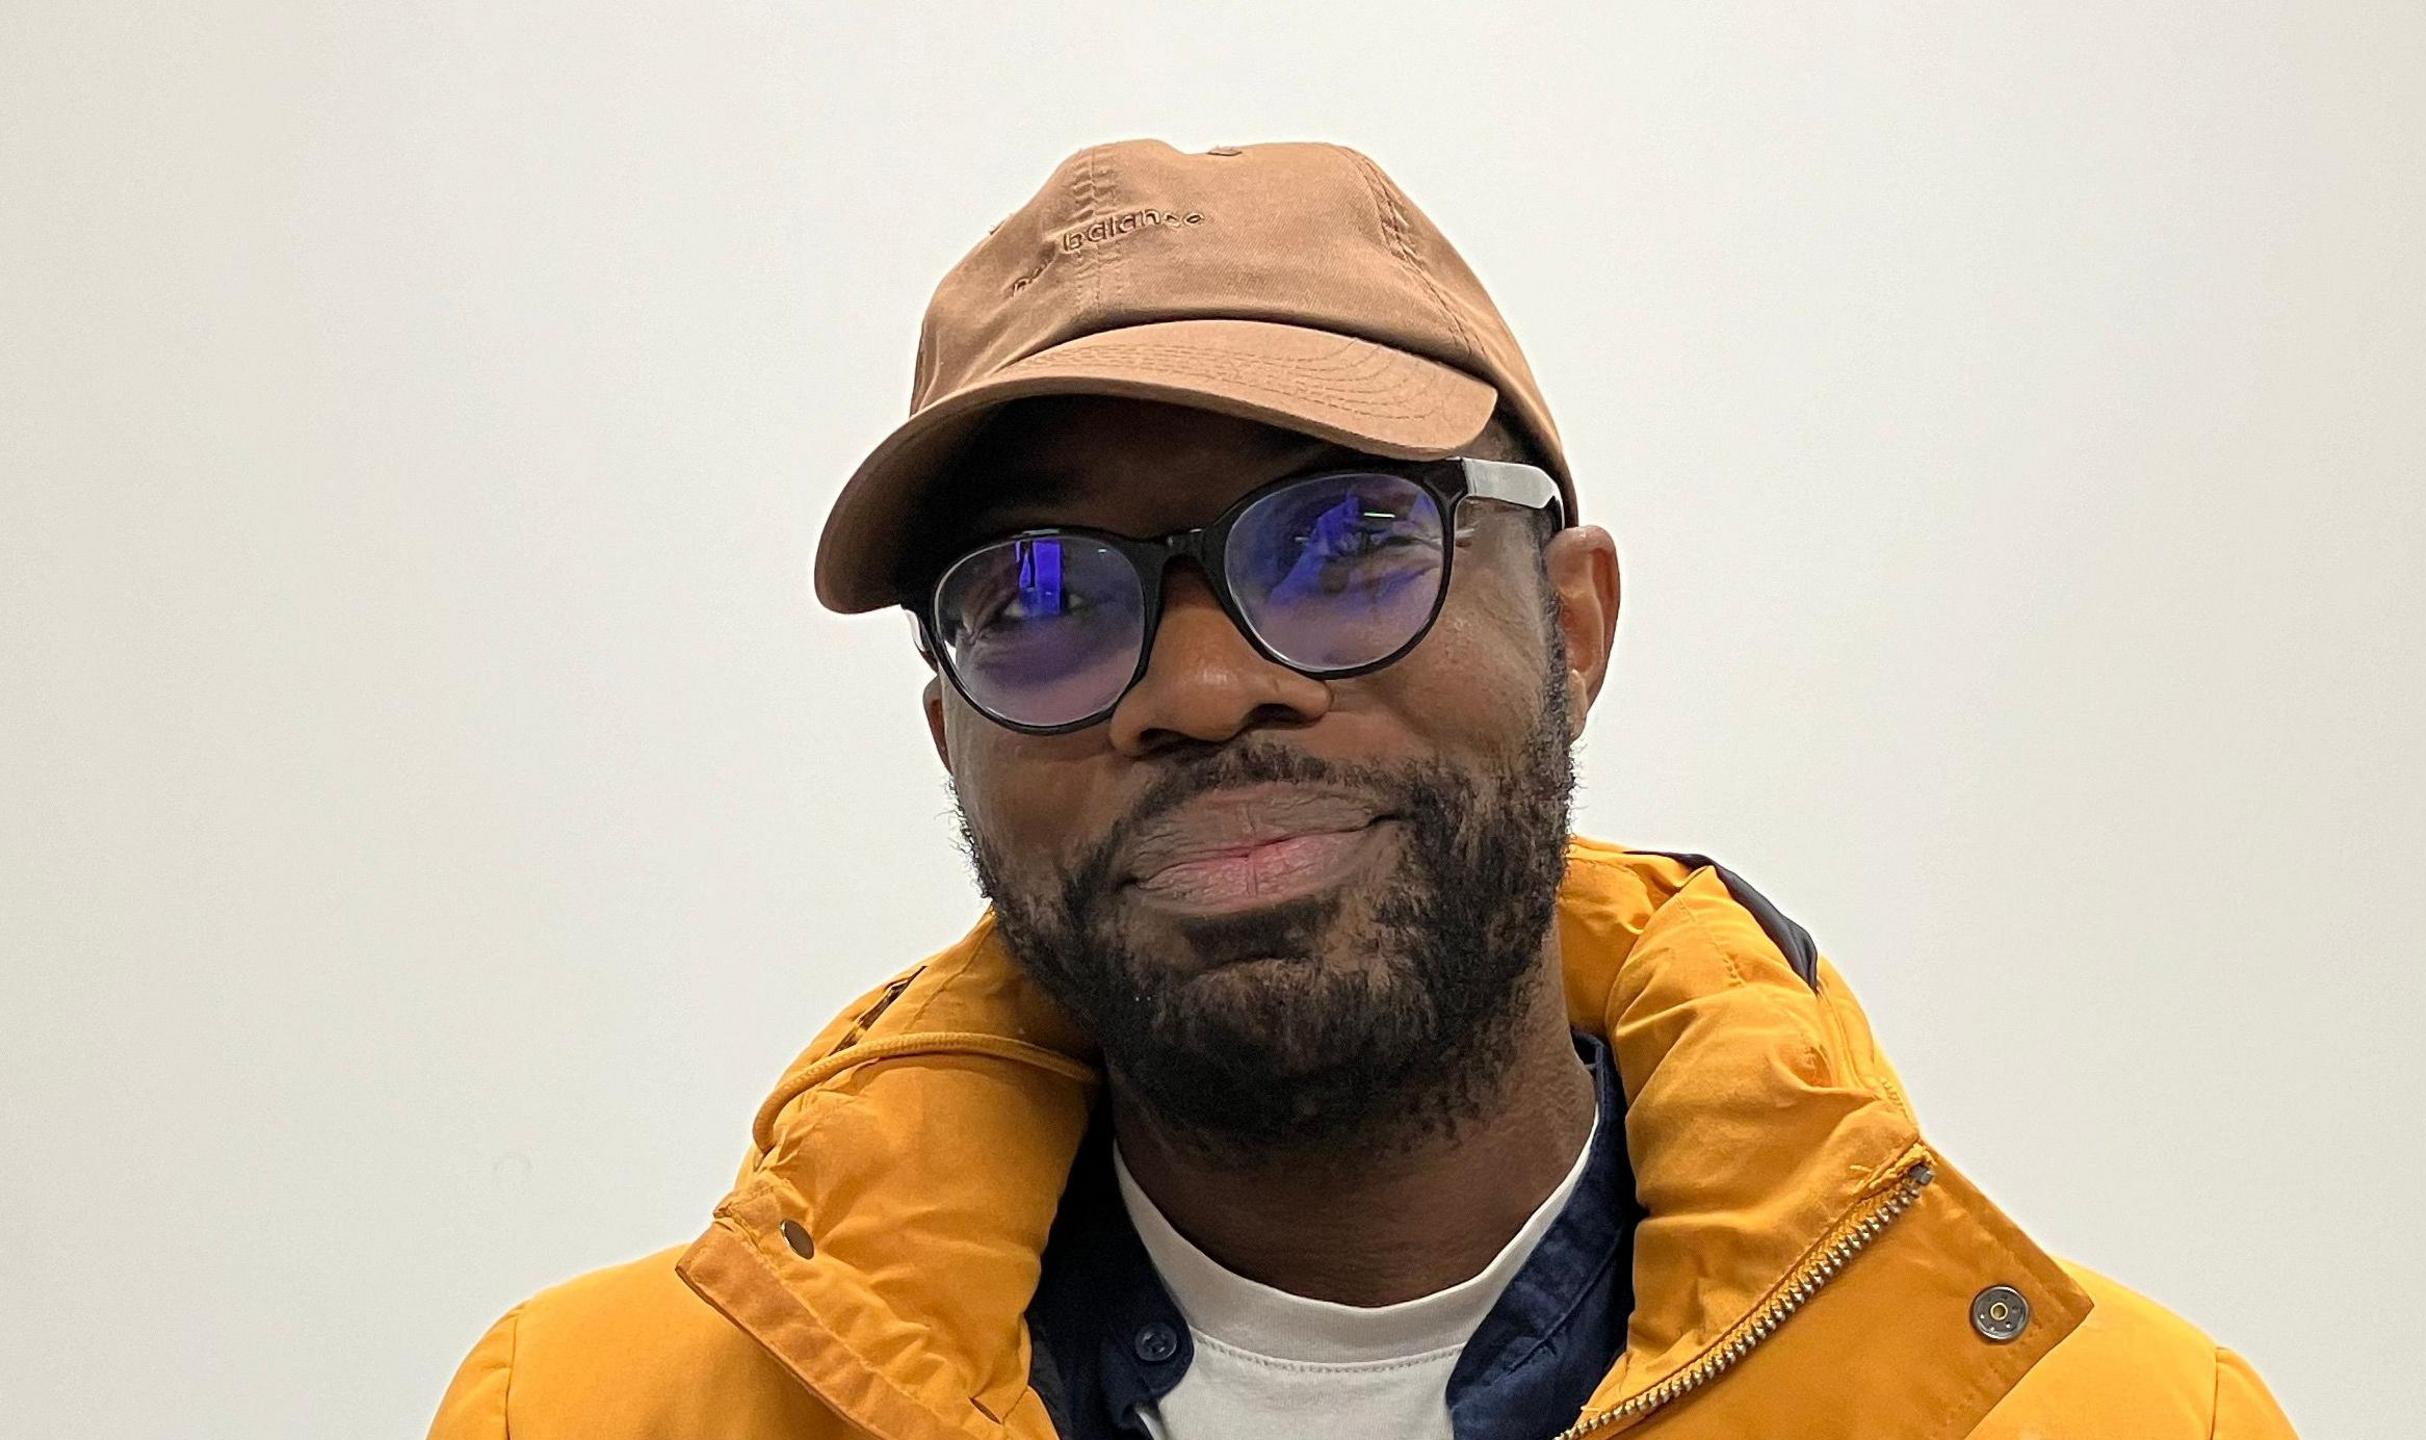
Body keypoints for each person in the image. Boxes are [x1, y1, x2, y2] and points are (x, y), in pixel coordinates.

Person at [428, 139, 2296, 1440]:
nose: (1205, 683)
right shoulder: (583, 1416)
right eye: (1044, 597)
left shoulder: (2106, 1421)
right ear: (951, 738)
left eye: (1340, 544)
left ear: (1576, 620)